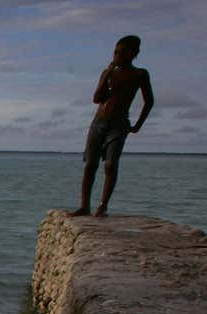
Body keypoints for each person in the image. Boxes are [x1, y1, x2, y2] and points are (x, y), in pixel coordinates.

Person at [71, 35, 154, 217]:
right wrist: (107, 74)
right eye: (115, 52)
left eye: (122, 53)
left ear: (134, 54)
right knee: (90, 165)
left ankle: (103, 206)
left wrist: (138, 124)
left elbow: (149, 101)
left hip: (119, 124)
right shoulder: (108, 73)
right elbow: (96, 98)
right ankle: (85, 206)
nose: (117, 56)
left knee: (110, 164)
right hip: (98, 122)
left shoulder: (140, 74)